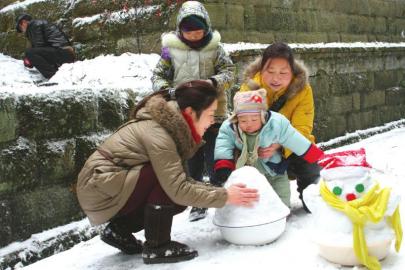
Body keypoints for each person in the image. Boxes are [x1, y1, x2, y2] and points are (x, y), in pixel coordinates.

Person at [76, 80, 258, 265]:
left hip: (107, 183)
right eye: (210, 114)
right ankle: (157, 247)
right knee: (170, 186)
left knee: (176, 197)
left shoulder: (170, 127)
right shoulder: (160, 134)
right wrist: (225, 196)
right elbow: (177, 188)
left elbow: (182, 182)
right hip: (98, 187)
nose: (212, 121)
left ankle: (119, 230)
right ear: (189, 112)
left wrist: (221, 192)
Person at [151, 1, 235, 221]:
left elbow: (229, 72)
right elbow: (158, 75)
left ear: (206, 28)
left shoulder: (215, 49)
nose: (195, 35)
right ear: (181, 30)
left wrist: (213, 83)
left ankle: (220, 191)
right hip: (186, 114)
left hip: (213, 112)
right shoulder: (170, 51)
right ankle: (198, 201)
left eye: (199, 31)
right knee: (193, 157)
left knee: (216, 152)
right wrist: (168, 91)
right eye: (190, 32)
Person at [239, 42, 321, 211]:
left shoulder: (303, 91)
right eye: (270, 72)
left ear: (292, 73)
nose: (276, 78)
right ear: (262, 71)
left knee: (309, 159)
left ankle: (309, 197)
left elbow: (302, 128)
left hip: (289, 146)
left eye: (283, 73)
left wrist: (278, 146)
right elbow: (241, 124)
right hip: (257, 147)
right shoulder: (249, 89)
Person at [213, 89, 323, 207]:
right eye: (243, 120)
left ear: (262, 116)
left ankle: (282, 213)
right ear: (236, 118)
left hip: (275, 169)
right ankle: (257, 218)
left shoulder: (276, 124)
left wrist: (317, 157)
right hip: (249, 171)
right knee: (254, 198)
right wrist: (223, 166)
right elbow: (223, 145)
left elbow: (294, 139)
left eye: (254, 119)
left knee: (282, 196)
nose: (249, 124)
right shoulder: (230, 128)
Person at [15, 14, 75, 79]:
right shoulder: (36, 25)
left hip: (64, 52)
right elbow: (42, 50)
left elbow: (39, 46)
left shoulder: (34, 25)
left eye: (20, 28)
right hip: (63, 53)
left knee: (30, 53)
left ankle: (53, 76)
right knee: (30, 53)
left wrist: (29, 58)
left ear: (24, 22)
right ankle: (55, 75)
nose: (22, 31)